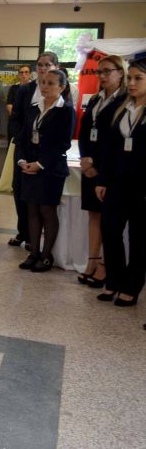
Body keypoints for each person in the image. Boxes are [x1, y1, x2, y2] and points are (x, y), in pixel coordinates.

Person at [95, 58, 145, 309]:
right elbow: (110, 150)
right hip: (116, 183)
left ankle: (131, 287)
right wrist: (102, 180)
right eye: (130, 78)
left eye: (138, 78)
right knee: (110, 230)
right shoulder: (123, 109)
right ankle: (113, 280)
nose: (132, 83)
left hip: (142, 187)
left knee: (139, 238)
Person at [16, 69, 75, 273]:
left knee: (47, 211)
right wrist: (22, 160)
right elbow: (22, 138)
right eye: (43, 82)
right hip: (29, 166)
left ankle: (46, 255)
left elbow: (63, 144)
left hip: (51, 168)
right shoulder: (34, 108)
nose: (45, 86)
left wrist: (40, 164)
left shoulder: (65, 111)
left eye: (51, 83)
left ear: (62, 87)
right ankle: (33, 253)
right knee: (32, 210)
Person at [77, 55, 126, 288]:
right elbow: (85, 131)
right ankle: (92, 261)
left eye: (107, 71)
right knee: (93, 214)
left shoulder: (125, 101)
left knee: (109, 219)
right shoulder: (96, 98)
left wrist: (98, 166)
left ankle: (106, 265)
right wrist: (85, 159)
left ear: (120, 72)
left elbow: (115, 140)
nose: (102, 76)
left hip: (108, 169)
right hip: (89, 166)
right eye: (100, 72)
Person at [8, 51, 61, 248]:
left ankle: (36, 239)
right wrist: (20, 140)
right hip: (23, 148)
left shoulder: (62, 90)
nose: (43, 68)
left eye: (47, 65)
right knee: (19, 190)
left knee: (39, 197)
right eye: (40, 65)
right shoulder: (25, 89)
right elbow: (16, 118)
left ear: (56, 67)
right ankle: (23, 232)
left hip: (45, 153)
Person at [6, 65, 32, 141]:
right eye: (21, 72)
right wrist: (17, 119)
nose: (24, 74)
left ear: (30, 74)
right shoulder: (13, 88)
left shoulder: (35, 88)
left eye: (26, 72)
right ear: (18, 75)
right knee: (12, 145)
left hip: (29, 124)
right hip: (15, 123)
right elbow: (9, 105)